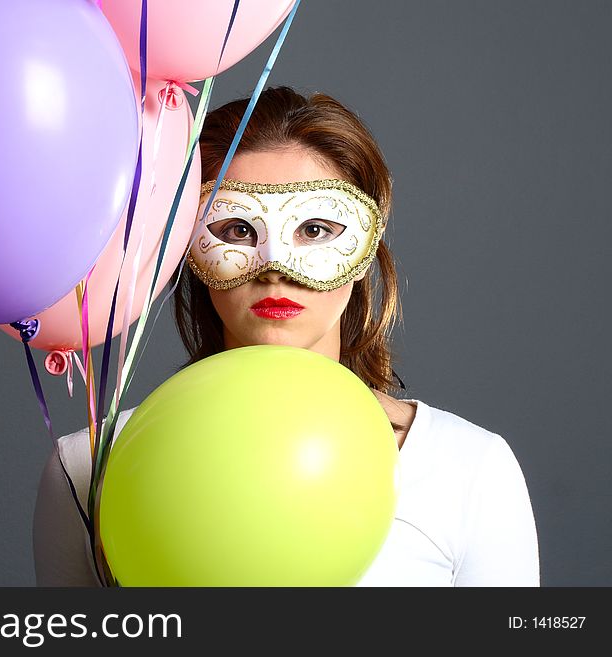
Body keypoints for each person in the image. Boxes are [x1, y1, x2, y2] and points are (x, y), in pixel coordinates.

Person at [32, 86, 540, 587]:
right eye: (236, 230)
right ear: (185, 247)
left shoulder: (468, 469)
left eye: (315, 229)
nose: (274, 266)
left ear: (368, 244)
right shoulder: (87, 466)